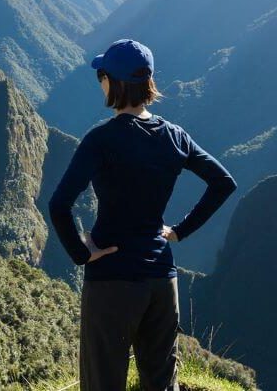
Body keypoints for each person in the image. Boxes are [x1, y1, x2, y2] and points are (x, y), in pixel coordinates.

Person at [48, 38, 237, 391]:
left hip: (112, 279)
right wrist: (179, 232)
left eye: (101, 75)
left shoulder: (101, 140)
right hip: (162, 279)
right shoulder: (175, 137)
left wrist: (82, 253)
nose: (100, 82)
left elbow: (59, 205)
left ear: (113, 82)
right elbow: (223, 182)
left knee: (103, 381)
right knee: (162, 382)